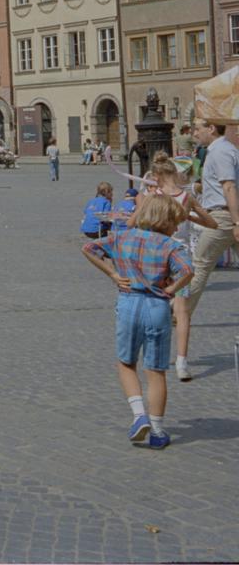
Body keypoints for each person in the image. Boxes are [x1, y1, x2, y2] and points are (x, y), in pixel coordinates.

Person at [82, 195, 193, 449]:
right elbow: (188, 271)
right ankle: (156, 430)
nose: (176, 228)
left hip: (129, 301)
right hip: (156, 307)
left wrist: (113, 273)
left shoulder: (123, 237)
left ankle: (138, 414)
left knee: (126, 362)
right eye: (174, 223)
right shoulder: (170, 245)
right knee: (155, 371)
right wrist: (172, 289)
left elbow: (88, 248)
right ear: (164, 221)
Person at [140, 152, 216, 382]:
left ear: (157, 176)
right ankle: (182, 362)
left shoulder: (153, 196)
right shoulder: (187, 197)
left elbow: (138, 223)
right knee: (183, 313)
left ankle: (154, 356)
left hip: (156, 256)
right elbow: (211, 223)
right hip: (181, 258)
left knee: (151, 306)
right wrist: (188, 216)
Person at [185, 119, 239, 320]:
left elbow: (229, 187)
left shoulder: (220, 152)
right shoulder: (226, 149)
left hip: (224, 217)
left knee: (199, 265)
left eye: (198, 129)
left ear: (212, 128)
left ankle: (179, 312)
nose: (195, 134)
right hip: (227, 215)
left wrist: (236, 223)